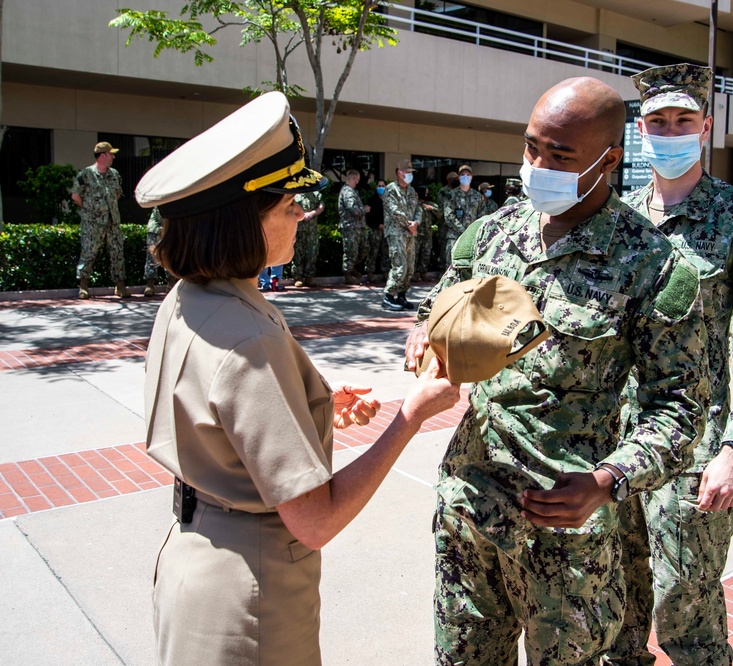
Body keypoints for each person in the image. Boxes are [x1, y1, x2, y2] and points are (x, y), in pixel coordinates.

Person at [136, 91, 460, 665]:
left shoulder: (193, 297)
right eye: (289, 205)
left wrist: (311, 405)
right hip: (251, 590)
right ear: (246, 221)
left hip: (194, 560)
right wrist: (412, 416)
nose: (299, 216)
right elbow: (315, 519)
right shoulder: (247, 334)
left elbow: (218, 410)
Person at [404, 76, 710, 666]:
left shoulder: (652, 264)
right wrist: (426, 340)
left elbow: (680, 408)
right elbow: (436, 311)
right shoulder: (491, 234)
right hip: (470, 502)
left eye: (560, 155)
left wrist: (610, 480)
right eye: (531, 148)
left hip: (566, 531)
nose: (538, 165)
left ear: (609, 159)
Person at [616, 64, 733, 666]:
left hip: (699, 447)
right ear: (640, 130)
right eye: (657, 121)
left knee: (684, 607)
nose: (669, 131)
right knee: (615, 598)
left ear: (705, 128)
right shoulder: (616, 218)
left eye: (682, 120)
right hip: (614, 443)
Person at [71, 141, 129, 299]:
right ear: (102, 155)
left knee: (117, 252)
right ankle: (83, 286)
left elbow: (117, 194)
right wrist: (90, 210)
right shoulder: (86, 174)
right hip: (92, 223)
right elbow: (76, 196)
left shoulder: (115, 174)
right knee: (89, 252)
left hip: (113, 221)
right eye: (111, 154)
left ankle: (120, 286)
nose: (113, 157)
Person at [381, 160, 421, 311]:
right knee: (400, 266)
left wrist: (416, 222)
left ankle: (402, 295)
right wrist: (409, 224)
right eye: (408, 172)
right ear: (399, 173)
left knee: (409, 267)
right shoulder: (390, 190)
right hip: (396, 232)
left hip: (410, 233)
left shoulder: (411, 191)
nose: (410, 175)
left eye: (411, 172)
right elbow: (394, 211)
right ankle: (389, 297)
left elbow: (419, 208)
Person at [442, 164, 485, 263]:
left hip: (473, 238)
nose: (465, 176)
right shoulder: (451, 195)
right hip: (454, 236)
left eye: (468, 174)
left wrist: (472, 232)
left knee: (470, 266)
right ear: (458, 177)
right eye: (462, 174)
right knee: (452, 265)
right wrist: (463, 230)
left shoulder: (478, 196)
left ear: (471, 177)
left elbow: (482, 217)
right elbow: (449, 216)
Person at [337, 169, 370, 285]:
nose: (358, 182)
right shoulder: (348, 192)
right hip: (350, 227)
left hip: (357, 227)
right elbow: (353, 208)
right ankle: (348, 274)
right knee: (351, 251)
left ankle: (352, 268)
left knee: (364, 248)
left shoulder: (353, 191)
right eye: (357, 180)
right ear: (354, 179)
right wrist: (364, 210)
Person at [291, 190, 324, 288]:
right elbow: (289, 207)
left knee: (312, 252)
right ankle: (298, 277)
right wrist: (300, 214)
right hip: (298, 229)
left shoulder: (316, 194)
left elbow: (321, 206)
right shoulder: (294, 194)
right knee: (297, 252)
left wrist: (312, 213)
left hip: (311, 230)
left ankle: (309, 277)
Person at [143, 207, 171, 297]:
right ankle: (150, 285)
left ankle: (171, 282)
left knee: (170, 255)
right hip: (155, 228)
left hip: (169, 228)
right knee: (151, 256)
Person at [414, 185, 440, 280]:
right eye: (425, 192)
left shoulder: (430, 204)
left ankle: (423, 272)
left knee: (426, 253)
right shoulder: (414, 204)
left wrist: (431, 208)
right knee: (415, 253)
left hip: (427, 234)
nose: (427, 194)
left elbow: (440, 214)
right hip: (416, 234)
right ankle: (414, 273)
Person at [365, 179, 386, 283]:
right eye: (379, 186)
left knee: (385, 252)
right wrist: (378, 225)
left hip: (387, 230)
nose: (381, 188)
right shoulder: (372, 200)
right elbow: (369, 216)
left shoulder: (389, 200)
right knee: (373, 251)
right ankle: (370, 272)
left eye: (383, 186)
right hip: (375, 229)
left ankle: (385, 272)